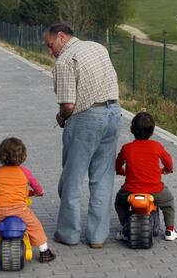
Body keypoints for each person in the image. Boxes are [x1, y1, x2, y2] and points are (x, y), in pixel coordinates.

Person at [44, 23, 122, 249]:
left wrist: (61, 117)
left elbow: (68, 105)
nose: (51, 52)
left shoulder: (65, 60)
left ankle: (69, 234)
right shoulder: (98, 47)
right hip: (114, 113)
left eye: (50, 46)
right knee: (102, 178)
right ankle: (97, 237)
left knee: (72, 179)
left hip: (86, 119)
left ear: (61, 37)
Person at [0, 137, 56, 263]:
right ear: (22, 155)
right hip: (20, 210)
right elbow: (36, 186)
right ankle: (44, 252)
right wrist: (39, 193)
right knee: (35, 226)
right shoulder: (24, 171)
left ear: (1, 154)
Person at [114, 112, 177, 241]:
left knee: (119, 203)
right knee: (168, 203)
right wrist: (167, 169)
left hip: (130, 190)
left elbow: (118, 163)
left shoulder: (127, 148)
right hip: (155, 189)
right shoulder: (156, 146)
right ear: (153, 131)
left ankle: (126, 229)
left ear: (131, 130)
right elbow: (169, 161)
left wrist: (120, 171)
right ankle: (170, 231)